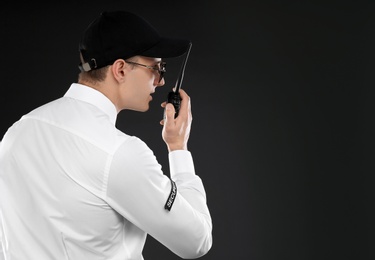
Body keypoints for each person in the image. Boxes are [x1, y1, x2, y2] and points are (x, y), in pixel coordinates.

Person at [0, 10, 212, 259]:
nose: (161, 81)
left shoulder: (18, 131)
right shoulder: (120, 153)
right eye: (157, 68)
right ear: (120, 70)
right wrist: (178, 148)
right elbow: (197, 241)